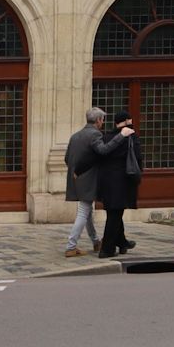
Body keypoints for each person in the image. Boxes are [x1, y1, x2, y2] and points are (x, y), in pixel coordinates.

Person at [94, 110, 143, 258]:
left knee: (114, 213)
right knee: (114, 216)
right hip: (122, 182)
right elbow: (138, 158)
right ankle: (107, 249)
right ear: (128, 121)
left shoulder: (106, 136)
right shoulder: (130, 137)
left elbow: (99, 156)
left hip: (106, 181)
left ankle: (122, 243)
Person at [63, 106, 107, 257]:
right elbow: (102, 152)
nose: (102, 123)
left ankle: (96, 241)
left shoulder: (75, 136)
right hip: (88, 179)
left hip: (76, 179)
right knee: (83, 212)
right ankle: (71, 245)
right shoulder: (96, 135)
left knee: (87, 212)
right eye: (102, 120)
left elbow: (67, 158)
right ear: (98, 120)